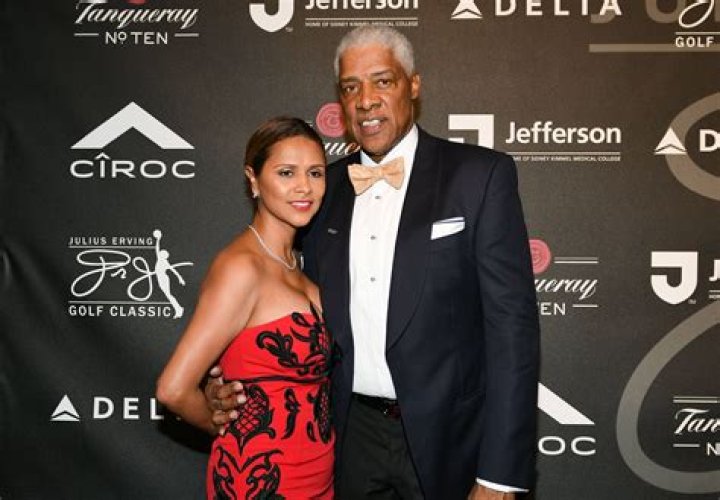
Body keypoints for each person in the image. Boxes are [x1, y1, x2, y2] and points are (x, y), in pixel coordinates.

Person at [208, 26, 540, 500]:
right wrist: (224, 384)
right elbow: (279, 299)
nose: (366, 100)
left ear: (413, 85)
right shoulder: (321, 190)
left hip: (452, 439)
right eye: (351, 87)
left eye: (383, 81)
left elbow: (512, 329)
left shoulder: (479, 176)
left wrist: (499, 474)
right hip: (345, 439)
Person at [156, 116, 334, 499]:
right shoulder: (241, 267)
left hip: (318, 475)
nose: (304, 186)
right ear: (253, 179)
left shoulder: (300, 266)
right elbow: (173, 388)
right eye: (286, 172)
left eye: (315, 173)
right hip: (259, 480)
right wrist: (223, 426)